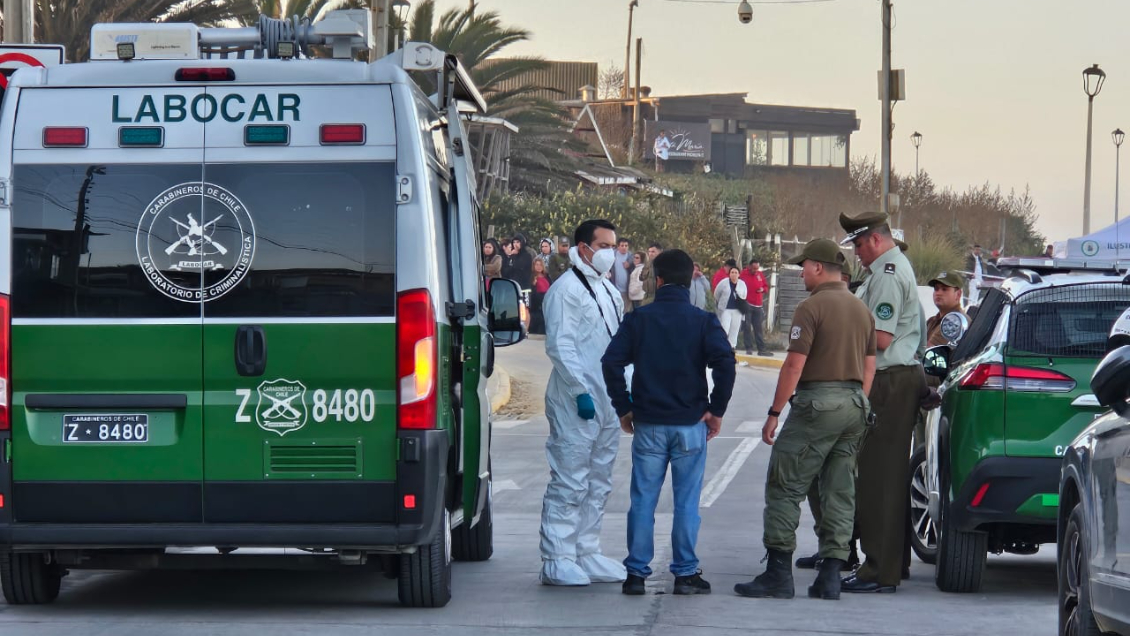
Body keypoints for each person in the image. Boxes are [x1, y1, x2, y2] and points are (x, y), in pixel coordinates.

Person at [734, 239, 876, 601]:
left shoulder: (810, 307)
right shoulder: (861, 309)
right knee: (839, 489)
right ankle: (830, 575)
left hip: (817, 404)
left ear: (817, 267)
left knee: (785, 485)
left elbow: (795, 364)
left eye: (804, 267)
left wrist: (774, 412)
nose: (801, 273)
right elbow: (870, 363)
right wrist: (859, 397)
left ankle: (778, 573)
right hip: (854, 404)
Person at [603, 249, 736, 596]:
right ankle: (686, 573)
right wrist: (716, 409)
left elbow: (611, 362)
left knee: (643, 499)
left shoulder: (639, 319)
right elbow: (725, 363)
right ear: (689, 277)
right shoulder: (703, 320)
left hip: (647, 423)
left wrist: (624, 406)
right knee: (686, 502)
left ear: (658, 280)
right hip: (690, 423)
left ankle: (635, 574)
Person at [837, 210, 925, 594]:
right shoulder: (887, 270)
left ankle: (879, 570)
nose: (856, 253)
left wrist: (835, 341)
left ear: (875, 239)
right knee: (884, 476)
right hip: (892, 380)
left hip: (889, 380)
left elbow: (882, 339)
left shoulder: (888, 275)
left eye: (858, 244)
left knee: (878, 479)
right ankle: (890, 564)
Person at [538, 219, 627, 586]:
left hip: (606, 398)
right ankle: (557, 557)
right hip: (576, 401)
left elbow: (617, 344)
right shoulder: (565, 291)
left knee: (599, 480)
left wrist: (624, 391)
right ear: (583, 247)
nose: (610, 253)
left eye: (614, 246)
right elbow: (561, 346)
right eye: (603, 245)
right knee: (570, 480)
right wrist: (579, 391)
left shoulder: (609, 292)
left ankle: (587, 550)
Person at [739, 258, 772, 357]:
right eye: (754, 268)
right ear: (749, 267)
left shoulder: (759, 275)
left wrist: (763, 289)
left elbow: (766, 287)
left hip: (758, 305)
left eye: (757, 268)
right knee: (747, 327)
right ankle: (749, 348)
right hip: (747, 304)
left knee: (758, 328)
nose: (755, 271)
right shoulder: (743, 274)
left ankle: (761, 349)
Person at [713, 266, 747, 351]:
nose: (734, 274)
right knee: (725, 327)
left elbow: (744, 295)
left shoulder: (742, 284)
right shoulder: (724, 283)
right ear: (729, 274)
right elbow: (717, 293)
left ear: (739, 274)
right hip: (726, 309)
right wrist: (720, 302)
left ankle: (732, 346)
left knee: (735, 328)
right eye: (732, 272)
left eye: (736, 273)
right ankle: (722, 345)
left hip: (737, 310)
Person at [529, 258, 551, 335]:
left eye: (540, 265)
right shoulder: (532, 277)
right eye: (537, 265)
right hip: (538, 303)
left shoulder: (547, 276)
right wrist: (533, 285)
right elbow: (532, 293)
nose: (538, 267)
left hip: (547, 300)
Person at [612, 238, 633, 310]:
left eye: (626, 246)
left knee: (625, 312)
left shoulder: (631, 257)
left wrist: (630, 265)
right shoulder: (612, 255)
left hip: (627, 290)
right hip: (615, 289)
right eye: (622, 245)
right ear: (618, 247)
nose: (624, 247)